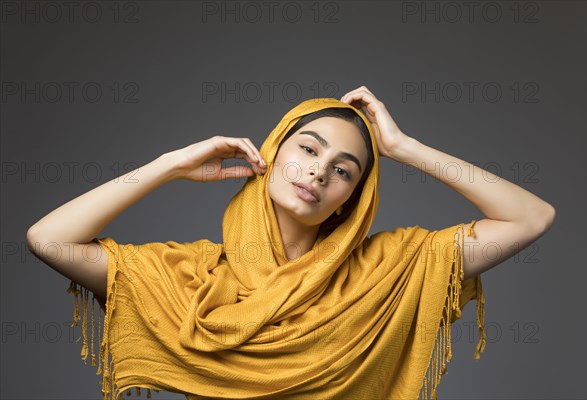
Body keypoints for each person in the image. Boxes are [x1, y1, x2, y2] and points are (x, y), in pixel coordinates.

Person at [27, 86, 555, 400]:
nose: (318, 172)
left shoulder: (388, 271)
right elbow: (48, 240)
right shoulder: (188, 277)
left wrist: (405, 148)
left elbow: (530, 218)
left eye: (343, 170)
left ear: (351, 198)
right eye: (307, 148)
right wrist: (167, 167)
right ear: (274, 150)